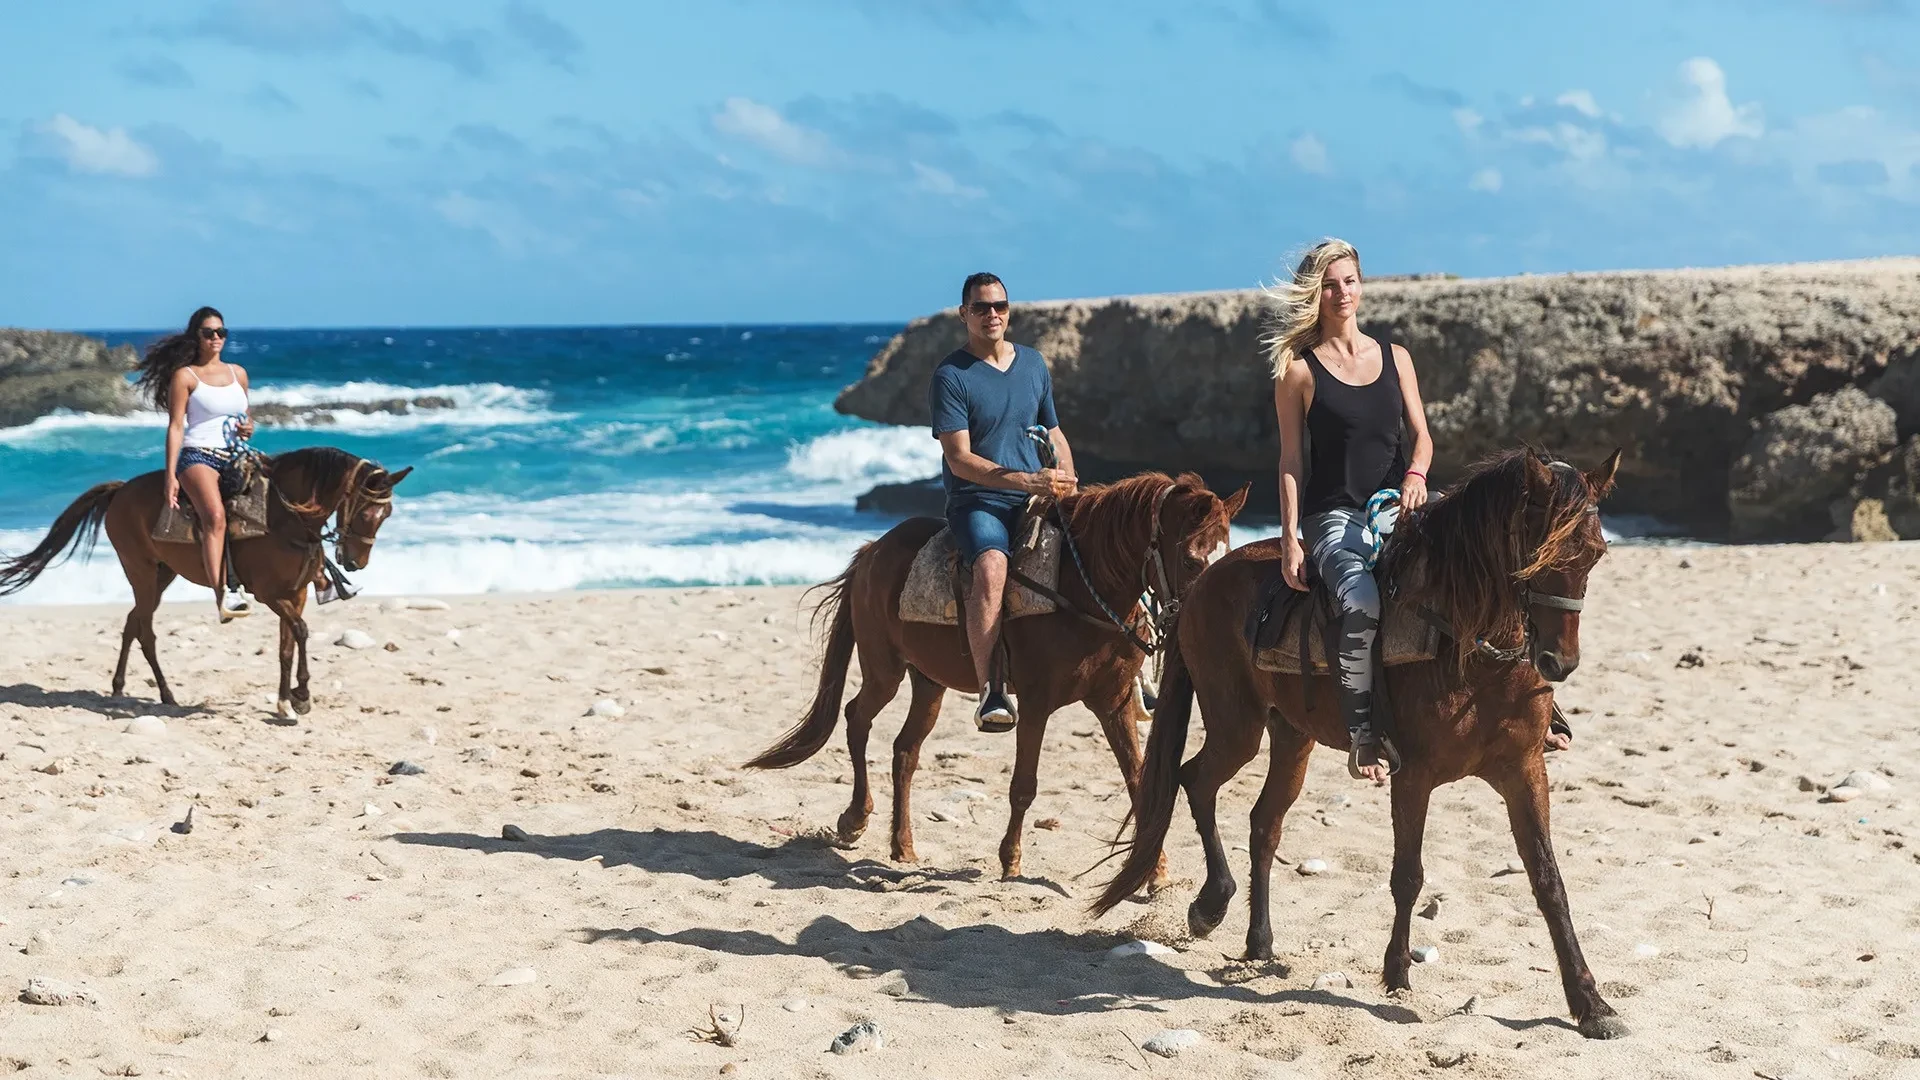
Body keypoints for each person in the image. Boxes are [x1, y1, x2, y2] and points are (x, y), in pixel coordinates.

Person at [1268, 240, 1435, 782]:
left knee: (1479, 558)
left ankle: (1541, 708)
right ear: (1315, 293)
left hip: (1398, 506)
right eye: (1331, 284)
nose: (1343, 293)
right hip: (1333, 516)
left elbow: (1423, 439)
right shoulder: (1298, 371)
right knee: (1360, 599)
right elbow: (1292, 460)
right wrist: (1291, 537)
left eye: (1350, 281)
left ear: (1363, 285)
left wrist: (1415, 475)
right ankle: (1363, 737)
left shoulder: (1396, 357)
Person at [929, 272, 1078, 733]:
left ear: (1009, 311)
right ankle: (991, 689)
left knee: (1110, 542)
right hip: (979, 501)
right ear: (964, 315)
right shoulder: (951, 376)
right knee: (992, 565)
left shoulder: (1032, 363)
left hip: (1037, 492)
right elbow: (958, 459)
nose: (991, 315)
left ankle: (1130, 674)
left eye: (999, 306)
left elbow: (1053, 432)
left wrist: (1071, 482)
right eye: (980, 308)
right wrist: (1026, 480)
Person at [134, 306, 256, 622]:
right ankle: (224, 594)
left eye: (221, 332)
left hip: (236, 454)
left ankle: (318, 576)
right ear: (197, 336)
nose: (216, 338)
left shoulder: (237, 373)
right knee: (214, 516)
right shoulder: (185, 376)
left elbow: (244, 415)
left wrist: (248, 428)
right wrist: (171, 476)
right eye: (208, 333)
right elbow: (176, 426)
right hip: (198, 455)